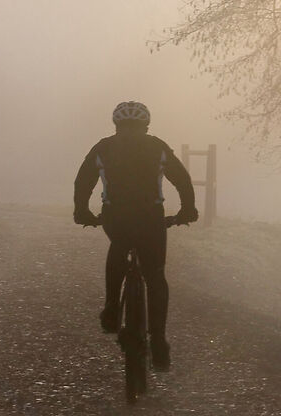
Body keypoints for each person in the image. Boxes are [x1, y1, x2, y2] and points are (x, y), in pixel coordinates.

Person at [73, 102, 198, 374]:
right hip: (151, 218)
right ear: (146, 125)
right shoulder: (157, 146)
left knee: (119, 245)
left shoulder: (103, 147)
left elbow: (83, 181)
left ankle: (111, 309)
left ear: (116, 124)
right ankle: (159, 342)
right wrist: (188, 209)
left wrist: (82, 211)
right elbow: (182, 180)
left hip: (115, 216)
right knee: (155, 276)